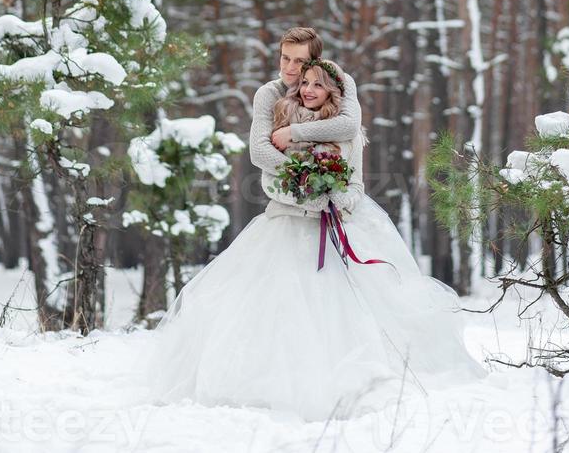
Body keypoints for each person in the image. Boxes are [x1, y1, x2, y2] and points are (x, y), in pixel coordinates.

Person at [144, 29, 487, 421]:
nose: (291, 71)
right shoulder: (269, 96)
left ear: (315, 62)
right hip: (287, 216)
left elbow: (347, 133)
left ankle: (361, 377)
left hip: (340, 217)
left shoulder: (341, 88)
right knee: (274, 304)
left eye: (299, 62)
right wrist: (305, 178)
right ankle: (271, 381)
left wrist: (298, 139)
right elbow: (259, 152)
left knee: (353, 306)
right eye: (284, 59)